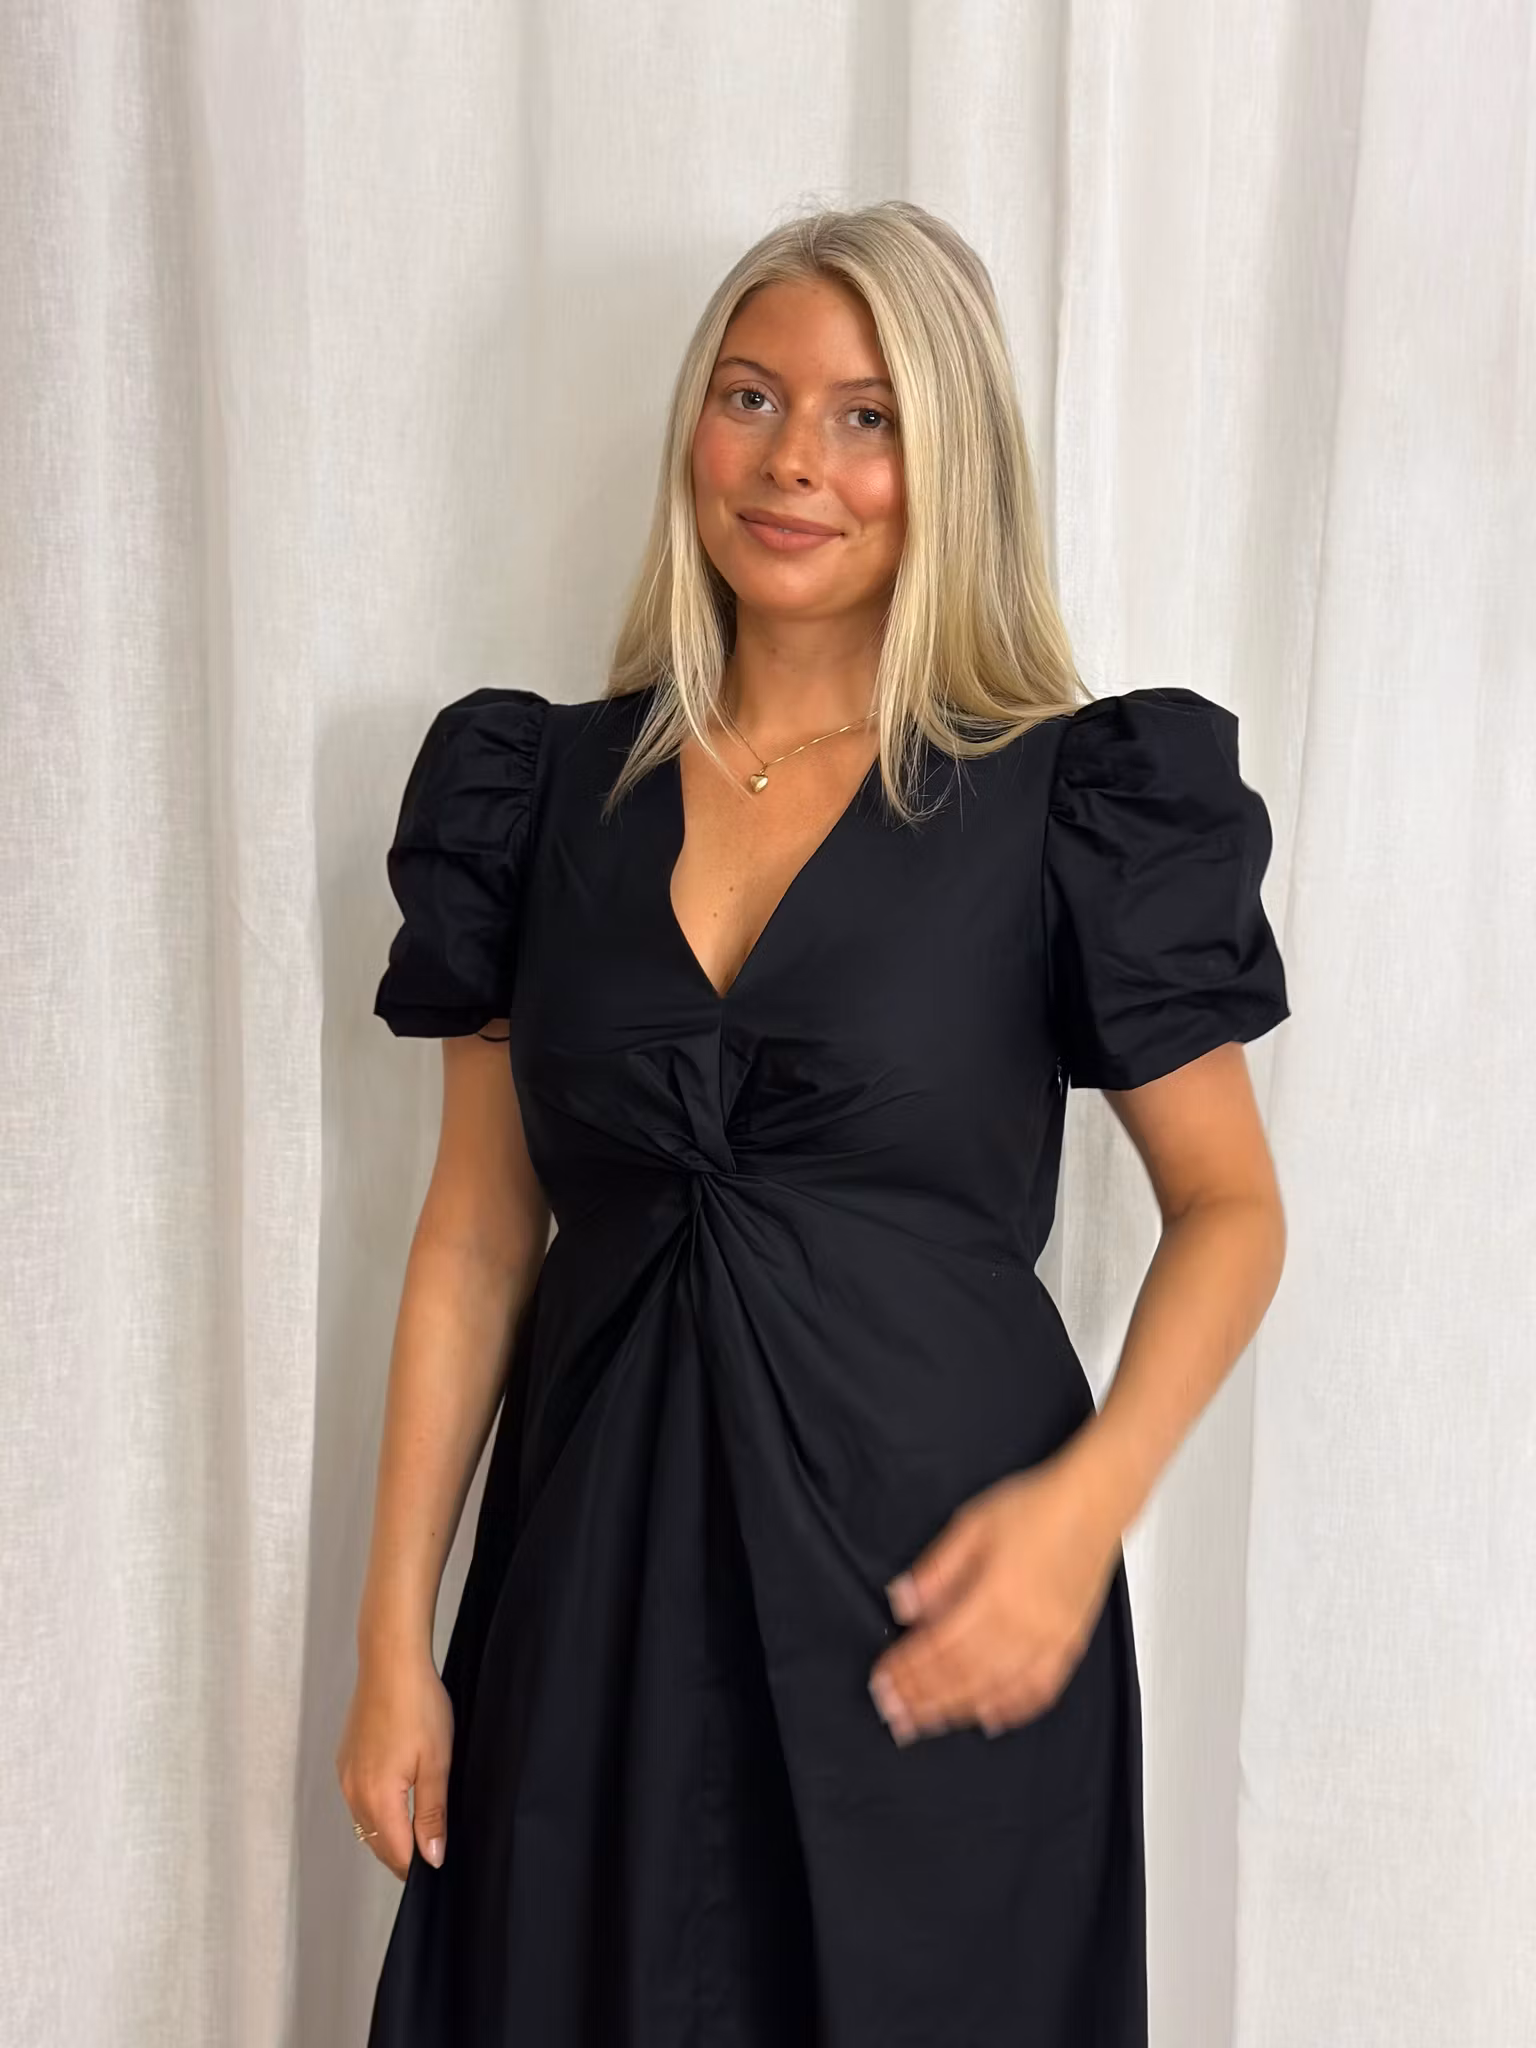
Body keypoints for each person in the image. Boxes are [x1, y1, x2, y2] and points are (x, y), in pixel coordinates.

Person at [338, 198, 1290, 2047]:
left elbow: (1232, 1208)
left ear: (954, 464)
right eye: (751, 395)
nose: (795, 463)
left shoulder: (1073, 803)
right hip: (592, 1602)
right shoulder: (534, 795)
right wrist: (396, 1638)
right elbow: (475, 1234)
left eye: (870, 418)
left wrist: (1081, 1520)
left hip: (935, 1612)